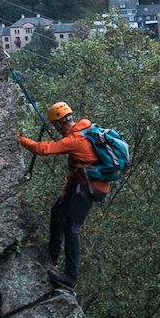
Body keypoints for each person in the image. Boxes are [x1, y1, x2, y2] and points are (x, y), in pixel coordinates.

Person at [17, 101, 109, 288]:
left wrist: (18, 138)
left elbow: (42, 149)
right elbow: (78, 168)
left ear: (59, 123)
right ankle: (52, 256)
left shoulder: (74, 140)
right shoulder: (85, 130)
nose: (55, 129)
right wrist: (65, 192)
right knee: (57, 211)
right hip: (84, 183)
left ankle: (70, 277)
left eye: (55, 125)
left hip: (91, 188)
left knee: (72, 227)